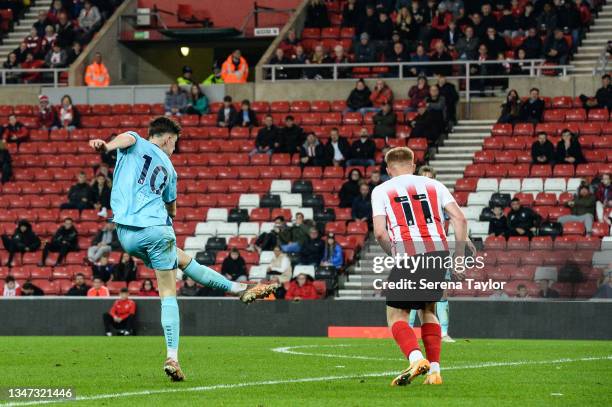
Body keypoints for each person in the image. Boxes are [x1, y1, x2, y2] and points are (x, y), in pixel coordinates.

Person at [88, 116, 278, 381]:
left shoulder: (134, 141)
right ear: (167, 139)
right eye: (174, 143)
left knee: (184, 260)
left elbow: (125, 139)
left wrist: (106, 146)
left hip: (125, 234)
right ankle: (172, 357)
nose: (174, 149)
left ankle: (238, 289)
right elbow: (173, 209)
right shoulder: (169, 168)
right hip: (155, 230)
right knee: (168, 293)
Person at [371, 147, 468, 386]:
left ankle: (416, 359)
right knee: (429, 310)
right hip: (438, 253)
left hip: (408, 253)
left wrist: (394, 254)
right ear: (413, 165)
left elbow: (380, 233)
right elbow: (460, 219)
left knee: (396, 316)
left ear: (388, 169)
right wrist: (459, 257)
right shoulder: (434, 185)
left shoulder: (382, 190)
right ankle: (434, 371)